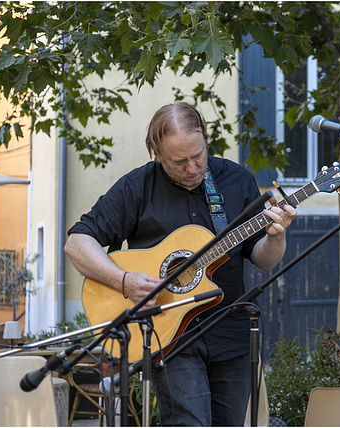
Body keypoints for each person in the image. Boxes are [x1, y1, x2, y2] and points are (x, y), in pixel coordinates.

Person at [64, 102, 296, 426]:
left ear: (205, 141)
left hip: (231, 330)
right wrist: (123, 279)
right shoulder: (137, 188)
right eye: (179, 161)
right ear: (157, 154)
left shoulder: (236, 180)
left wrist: (276, 236)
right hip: (170, 337)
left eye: (197, 155)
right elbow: (77, 243)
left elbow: (262, 259)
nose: (192, 168)